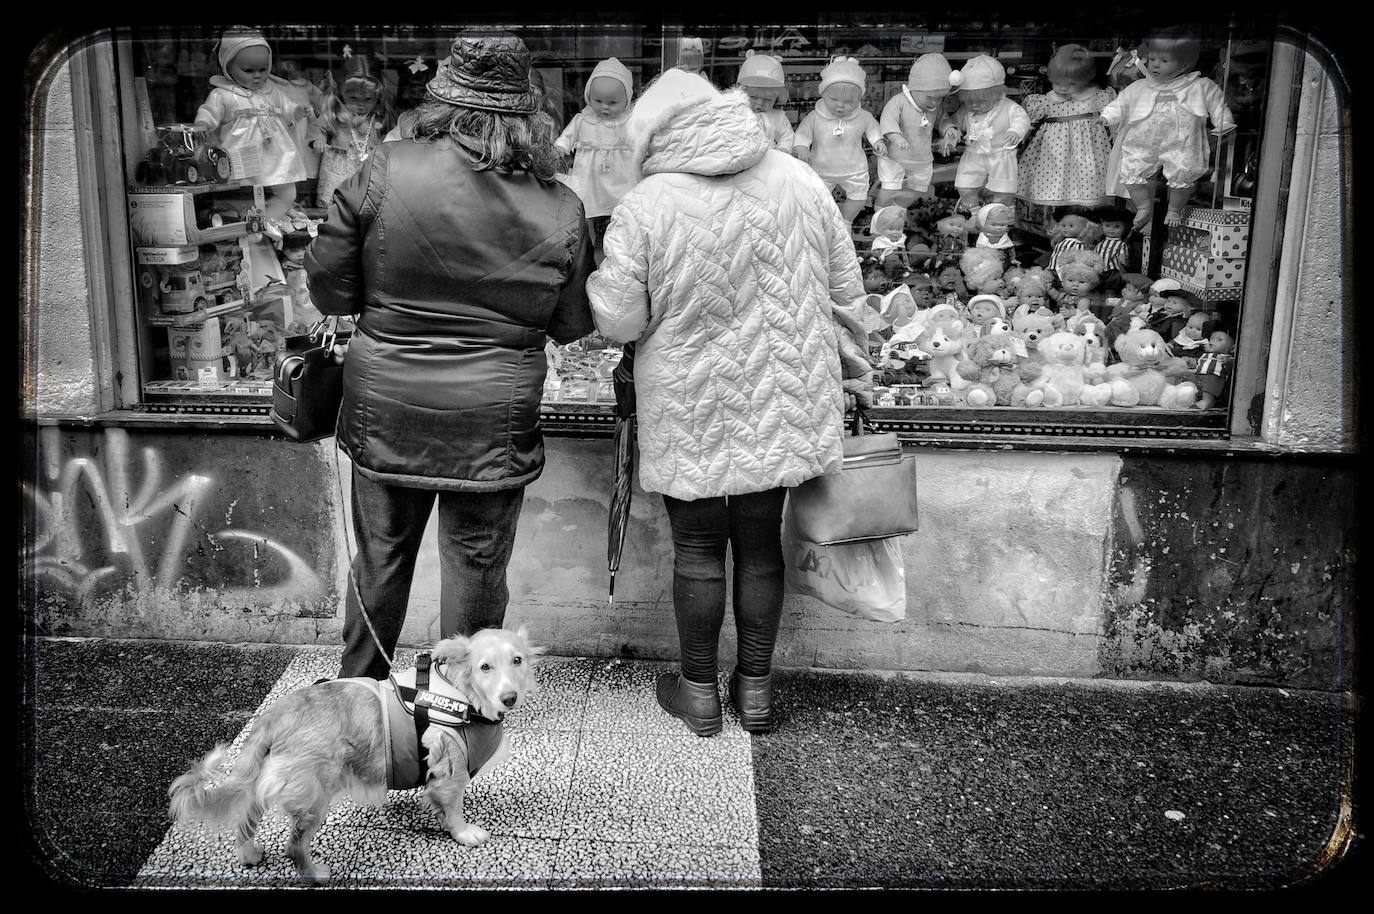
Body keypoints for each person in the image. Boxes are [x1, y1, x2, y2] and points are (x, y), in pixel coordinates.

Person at [586, 69, 874, 737]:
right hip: (782, 395)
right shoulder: (798, 179)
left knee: (696, 548)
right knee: (760, 544)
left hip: (690, 399)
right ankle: (755, 691)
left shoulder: (648, 203)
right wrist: (852, 369)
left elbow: (620, 320)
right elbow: (846, 291)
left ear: (653, 134)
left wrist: (605, 280)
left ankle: (697, 694)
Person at [305, 30, 597, 681]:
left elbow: (327, 284)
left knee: (380, 560)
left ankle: (360, 698)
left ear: (442, 103)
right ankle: (457, 714)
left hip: (387, 410)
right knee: (476, 569)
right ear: (530, 112)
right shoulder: (562, 205)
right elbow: (573, 323)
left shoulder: (384, 167)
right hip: (490, 424)